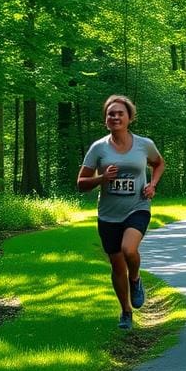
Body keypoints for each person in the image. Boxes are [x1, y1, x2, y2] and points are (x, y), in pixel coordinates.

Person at [77, 95, 165, 330]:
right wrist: (102, 178)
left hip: (138, 207)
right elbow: (81, 182)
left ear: (129, 118)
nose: (115, 117)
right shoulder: (99, 148)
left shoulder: (144, 144)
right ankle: (126, 312)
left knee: (129, 249)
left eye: (120, 113)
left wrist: (152, 185)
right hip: (108, 214)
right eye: (111, 114)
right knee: (117, 266)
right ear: (106, 120)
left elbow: (159, 164)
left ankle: (135, 278)